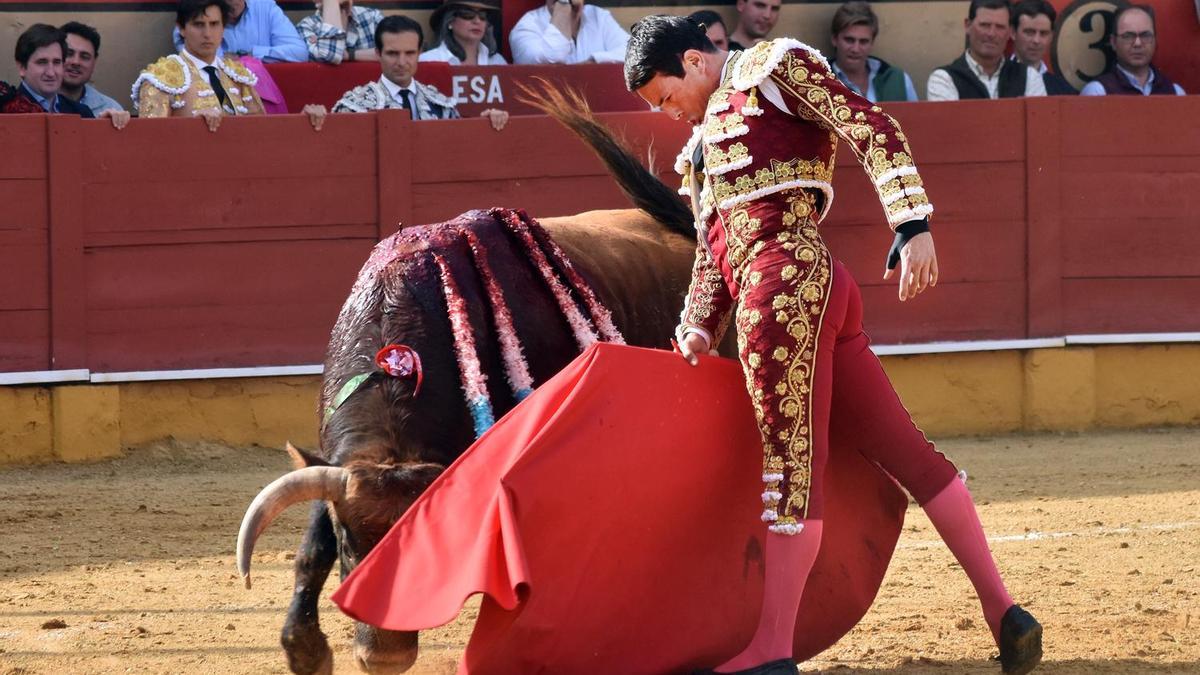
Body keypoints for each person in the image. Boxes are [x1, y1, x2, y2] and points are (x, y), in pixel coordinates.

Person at [624, 15, 1043, 675]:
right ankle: (1006, 613)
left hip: (784, 291)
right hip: (814, 289)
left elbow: (867, 123)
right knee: (907, 452)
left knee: (790, 466)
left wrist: (913, 222)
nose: (668, 114)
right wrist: (700, 322)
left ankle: (772, 647)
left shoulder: (770, 67)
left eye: (663, 97)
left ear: (692, 62)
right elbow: (716, 244)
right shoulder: (705, 144)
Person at [332, 15, 508, 130]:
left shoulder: (440, 104)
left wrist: (485, 124)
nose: (401, 62)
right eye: (393, 53)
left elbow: (460, 146)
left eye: (409, 53)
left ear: (420, 53)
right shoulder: (354, 106)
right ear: (378, 54)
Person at [7, 24, 127, 128]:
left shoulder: (81, 112)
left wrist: (104, 128)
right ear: (22, 67)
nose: (51, 72)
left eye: (57, 62)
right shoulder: (5, 108)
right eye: (42, 62)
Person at [927, 0, 1046, 101]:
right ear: (968, 25)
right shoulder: (944, 79)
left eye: (999, 27)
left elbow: (1039, 125)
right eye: (984, 25)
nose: (991, 34)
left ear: (1010, 31)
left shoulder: (1029, 77)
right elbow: (948, 127)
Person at [1080, 4, 1184, 96]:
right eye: (1128, 36)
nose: (1137, 43)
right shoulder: (1097, 92)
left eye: (1145, 35)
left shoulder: (1175, 92)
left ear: (1155, 40)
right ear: (1113, 42)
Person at [828, 1, 917, 102]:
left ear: (872, 43)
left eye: (863, 42)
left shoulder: (898, 80)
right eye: (849, 40)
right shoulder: (821, 80)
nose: (855, 49)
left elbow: (916, 117)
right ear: (834, 39)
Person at [172, 0, 307, 62]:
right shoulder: (194, 18)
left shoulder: (266, 7)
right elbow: (205, 61)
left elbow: (300, 53)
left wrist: (251, 54)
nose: (232, 3)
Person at [508, 0, 628, 64]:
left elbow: (632, 52)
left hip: (597, 102)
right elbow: (552, 58)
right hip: (549, 105)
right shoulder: (526, 26)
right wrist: (563, 7)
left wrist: (594, 62)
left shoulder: (599, 17)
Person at [1009, 0, 1075, 95]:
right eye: (1029, 32)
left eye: (1043, 33)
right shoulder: (994, 80)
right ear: (1013, 33)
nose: (1036, 40)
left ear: (1051, 36)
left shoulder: (1064, 90)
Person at [60, 22, 127, 115]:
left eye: (84, 57)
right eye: (69, 54)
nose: (76, 62)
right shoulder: (36, 105)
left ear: (94, 61)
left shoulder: (111, 108)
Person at [422, 0, 508, 65]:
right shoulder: (428, 60)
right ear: (450, 22)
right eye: (468, 14)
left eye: (483, 15)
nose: (477, 21)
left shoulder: (497, 61)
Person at [296, 0, 384, 64]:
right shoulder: (306, 26)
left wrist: (349, 55)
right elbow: (331, 56)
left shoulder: (372, 16)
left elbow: (391, 54)